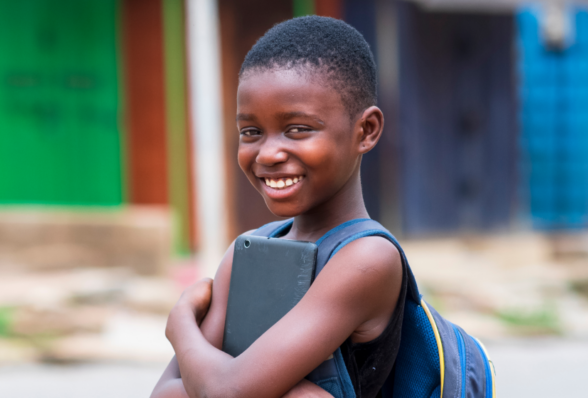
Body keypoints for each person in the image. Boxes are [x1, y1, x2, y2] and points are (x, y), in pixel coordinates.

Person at [151, 16, 404, 398]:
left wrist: (181, 323)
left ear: (365, 131)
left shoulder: (367, 259)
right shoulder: (250, 249)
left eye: (298, 129)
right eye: (250, 132)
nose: (268, 153)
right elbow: (165, 393)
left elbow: (226, 392)